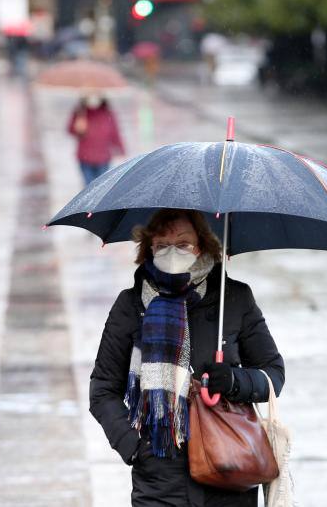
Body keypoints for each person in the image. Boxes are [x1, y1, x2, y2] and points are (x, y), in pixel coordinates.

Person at [89, 209, 285, 506]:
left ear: (202, 245)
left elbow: (274, 375)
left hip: (229, 466)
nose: (172, 251)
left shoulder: (234, 298)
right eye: (162, 244)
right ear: (148, 248)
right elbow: (103, 389)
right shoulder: (130, 305)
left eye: (182, 243)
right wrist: (133, 447)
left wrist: (234, 380)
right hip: (160, 477)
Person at [67, 93, 125, 186]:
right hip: (85, 157)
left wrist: (121, 149)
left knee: (101, 187)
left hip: (103, 158)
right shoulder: (80, 113)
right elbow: (70, 130)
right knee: (89, 187)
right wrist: (77, 126)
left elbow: (115, 132)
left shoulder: (108, 113)